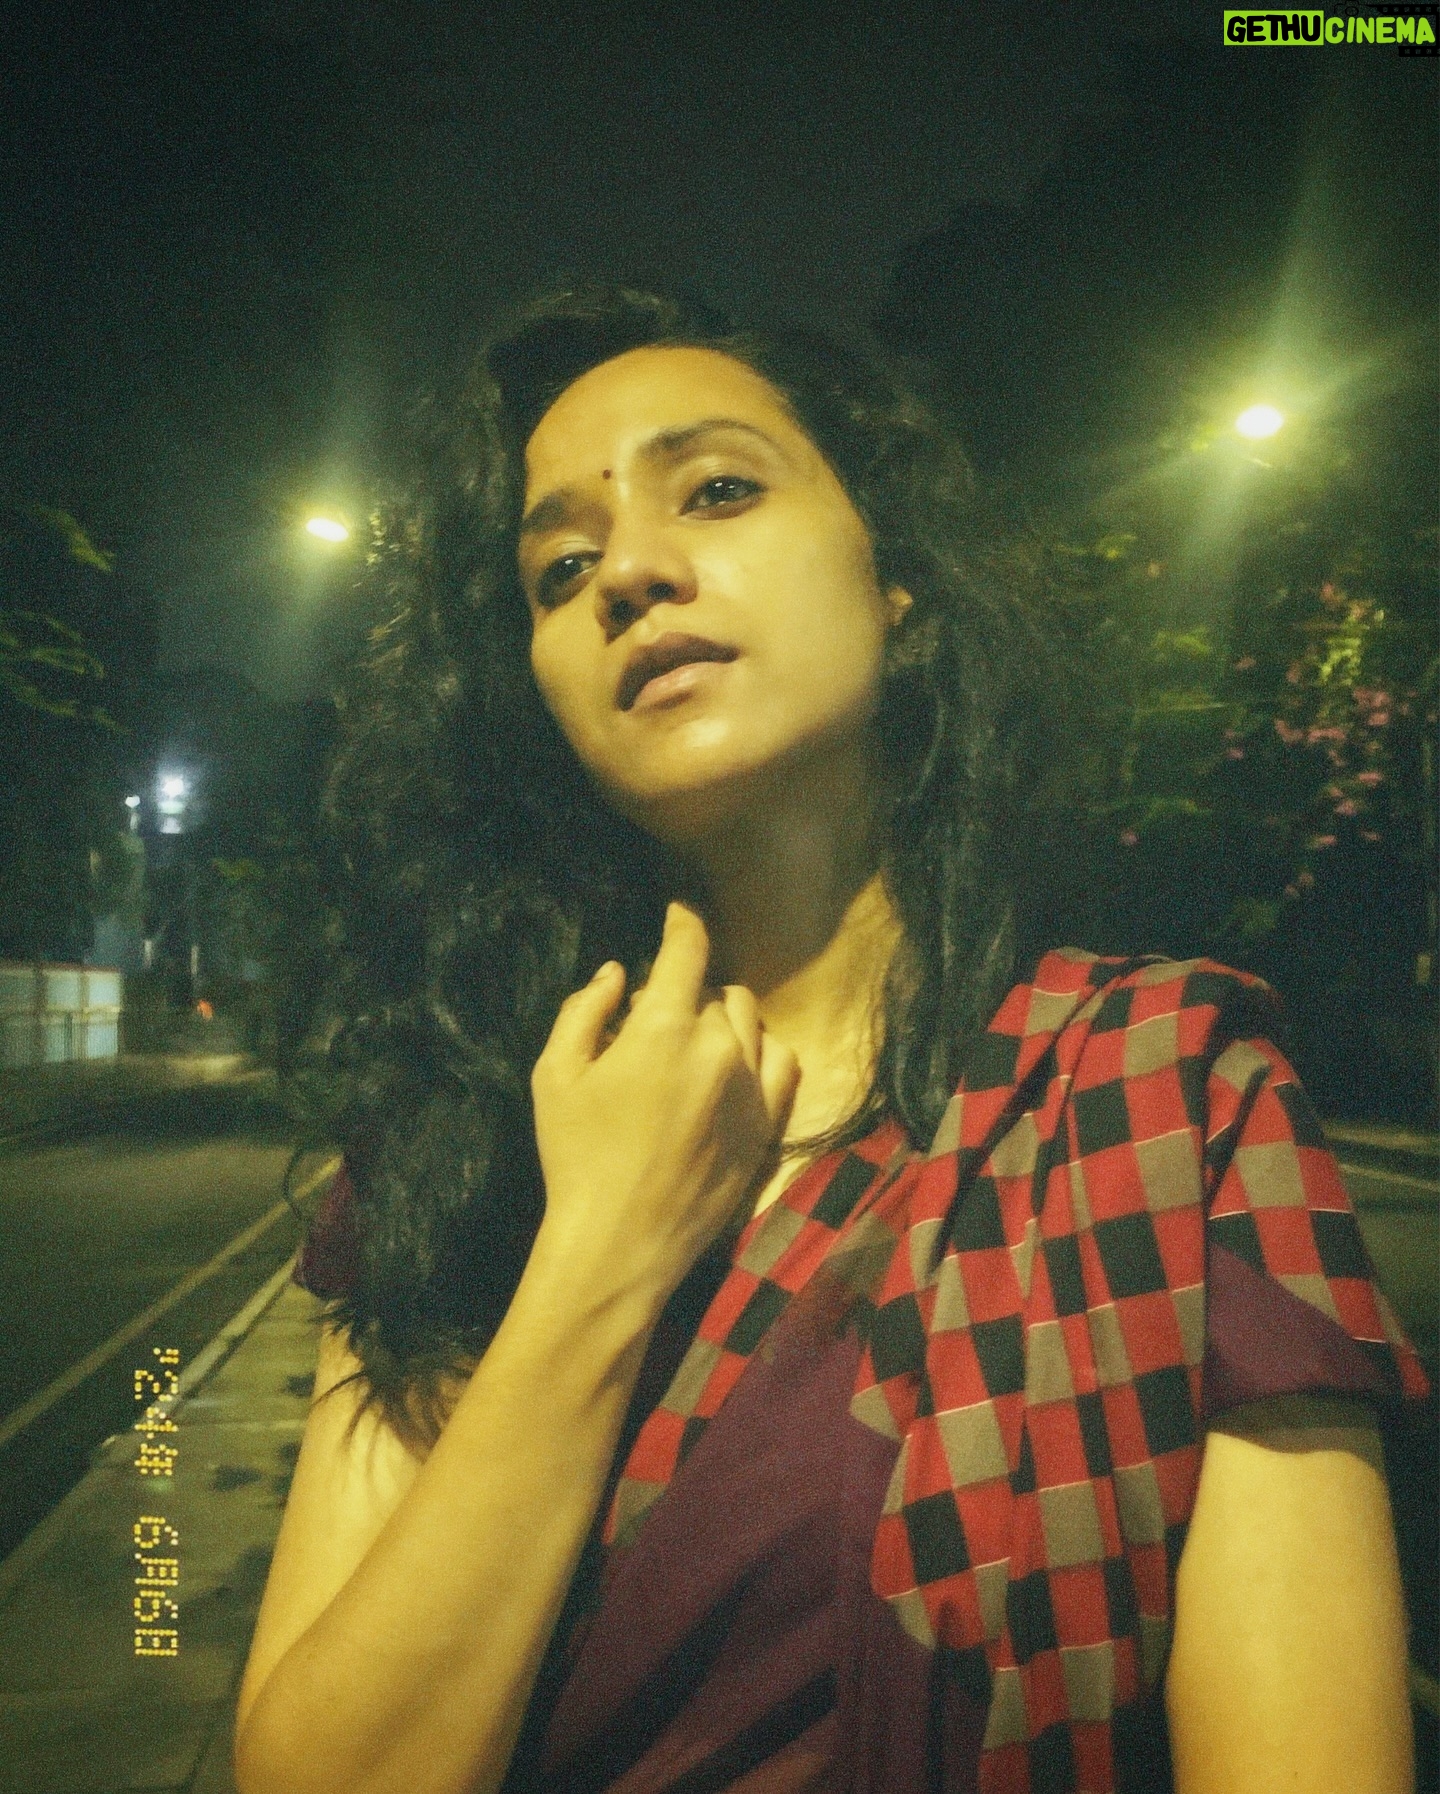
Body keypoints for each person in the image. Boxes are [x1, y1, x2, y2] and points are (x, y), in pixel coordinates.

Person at [232, 283, 1430, 1794]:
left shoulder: (1161, 1096)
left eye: (718, 491)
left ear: (896, 579)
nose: (630, 575)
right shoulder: (451, 1136)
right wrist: (600, 1253)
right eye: (561, 568)